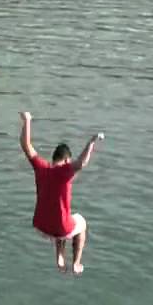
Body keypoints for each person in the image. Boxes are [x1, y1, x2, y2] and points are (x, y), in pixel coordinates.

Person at [19, 111, 102, 275]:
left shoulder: (41, 167)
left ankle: (60, 256)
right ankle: (76, 263)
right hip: (60, 227)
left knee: (62, 217)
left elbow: (26, 145)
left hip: (40, 225)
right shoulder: (65, 171)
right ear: (66, 160)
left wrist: (27, 120)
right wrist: (91, 141)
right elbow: (82, 162)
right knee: (81, 223)